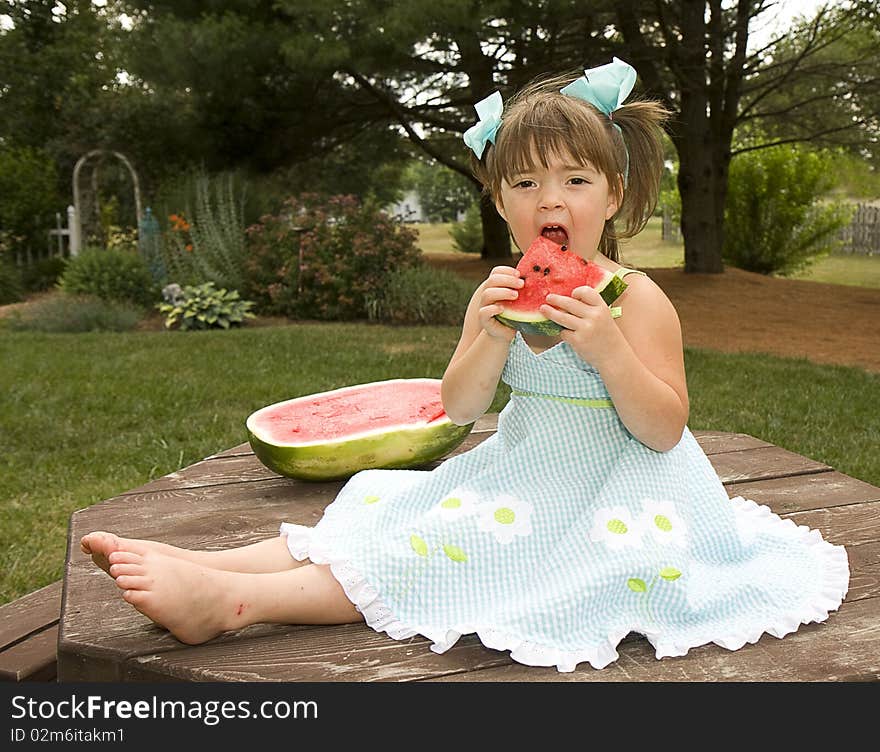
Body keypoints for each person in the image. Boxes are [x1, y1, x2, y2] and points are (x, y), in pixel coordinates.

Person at [81, 58, 849, 672]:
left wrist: (609, 351)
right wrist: (486, 335)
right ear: (502, 202)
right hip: (520, 465)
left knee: (438, 550)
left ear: (612, 196)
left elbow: (664, 429)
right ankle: (211, 561)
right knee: (388, 511)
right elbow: (459, 405)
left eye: (576, 180)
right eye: (526, 182)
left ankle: (234, 604)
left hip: (613, 490)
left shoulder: (640, 300)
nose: (552, 197)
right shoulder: (502, 292)